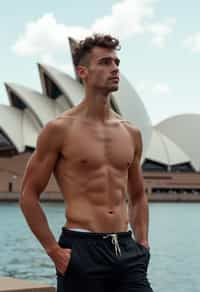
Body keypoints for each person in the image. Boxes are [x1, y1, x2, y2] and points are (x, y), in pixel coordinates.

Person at [20, 34, 153, 292]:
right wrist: (53, 251)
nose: (114, 68)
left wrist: (143, 243)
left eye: (116, 62)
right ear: (83, 72)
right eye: (104, 62)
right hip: (81, 250)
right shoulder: (59, 129)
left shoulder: (131, 132)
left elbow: (137, 196)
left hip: (127, 250)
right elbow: (28, 195)